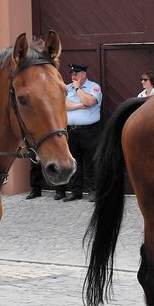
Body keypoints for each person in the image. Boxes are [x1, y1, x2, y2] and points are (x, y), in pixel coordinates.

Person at [56, 62, 102, 202]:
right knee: (74, 162)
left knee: (91, 162)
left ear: (83, 74)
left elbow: (89, 101)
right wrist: (80, 105)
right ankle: (76, 192)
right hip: (71, 131)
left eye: (75, 74)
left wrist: (78, 90)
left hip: (90, 131)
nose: (73, 76)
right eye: (71, 74)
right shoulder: (66, 88)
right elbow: (63, 105)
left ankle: (93, 191)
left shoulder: (94, 87)